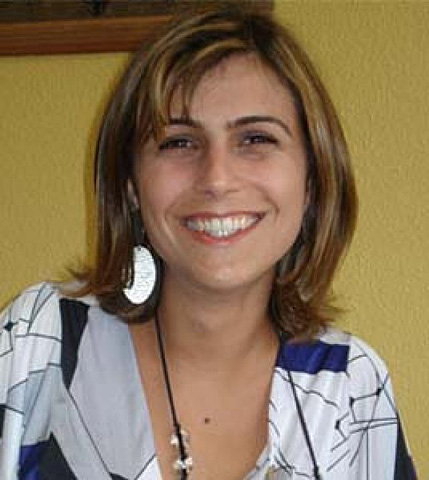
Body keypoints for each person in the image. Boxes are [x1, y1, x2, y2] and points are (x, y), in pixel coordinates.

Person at [0, 7, 416, 480]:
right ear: (131, 185)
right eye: (179, 142)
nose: (217, 179)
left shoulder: (351, 390)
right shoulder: (39, 344)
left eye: (255, 139)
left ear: (311, 182)